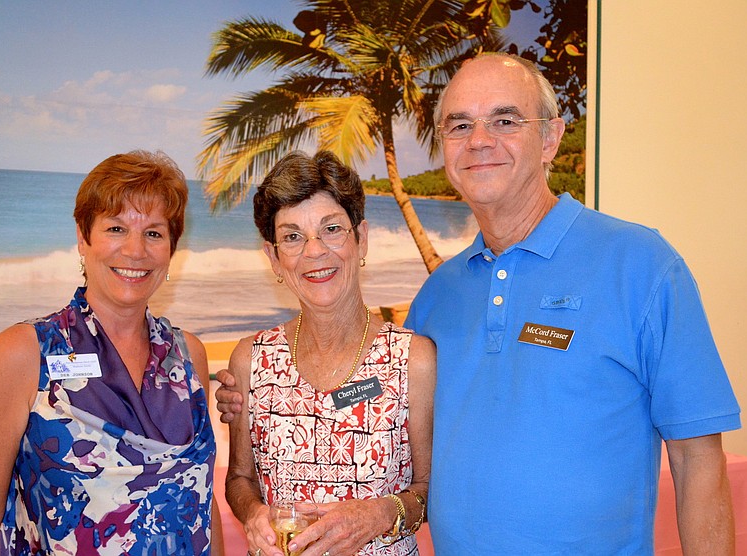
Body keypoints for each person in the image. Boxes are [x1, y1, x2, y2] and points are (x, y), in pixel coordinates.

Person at [217, 53, 742, 554]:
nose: (480, 142)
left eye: (505, 120)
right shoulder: (439, 297)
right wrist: (248, 396)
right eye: (460, 125)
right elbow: (370, 404)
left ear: (551, 138)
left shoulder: (641, 265)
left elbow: (699, 460)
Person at [0, 150, 224, 555]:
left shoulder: (188, 356)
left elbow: (202, 501)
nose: (135, 250)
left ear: (171, 250)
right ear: (84, 237)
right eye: (116, 228)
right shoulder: (24, 353)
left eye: (153, 233)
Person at [224, 150, 436, 556]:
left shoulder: (414, 359)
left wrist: (378, 515)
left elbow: (429, 490)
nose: (315, 251)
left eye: (332, 229)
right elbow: (239, 478)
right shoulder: (251, 359)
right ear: (274, 258)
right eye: (292, 237)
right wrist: (253, 515)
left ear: (361, 240)